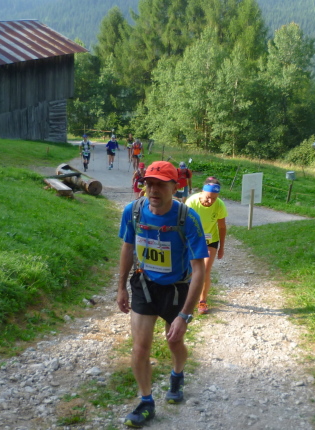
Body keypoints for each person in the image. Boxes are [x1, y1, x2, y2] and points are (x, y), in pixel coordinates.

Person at [117, 161, 208, 428]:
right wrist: (121, 287)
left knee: (174, 342)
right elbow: (127, 247)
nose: (153, 190)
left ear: (175, 187)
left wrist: (184, 316)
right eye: (149, 184)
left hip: (177, 288)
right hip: (145, 284)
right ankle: (146, 402)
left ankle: (177, 374)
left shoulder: (188, 217)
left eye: (160, 184)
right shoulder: (133, 211)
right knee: (140, 347)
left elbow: (199, 269)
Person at [185, 177, 228, 315]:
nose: (210, 201)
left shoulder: (219, 205)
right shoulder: (191, 202)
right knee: (190, 270)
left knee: (205, 270)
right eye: (208, 197)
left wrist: (221, 247)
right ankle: (187, 296)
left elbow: (222, 227)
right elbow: (184, 224)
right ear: (202, 192)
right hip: (193, 239)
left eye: (214, 198)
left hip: (211, 240)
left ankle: (202, 301)